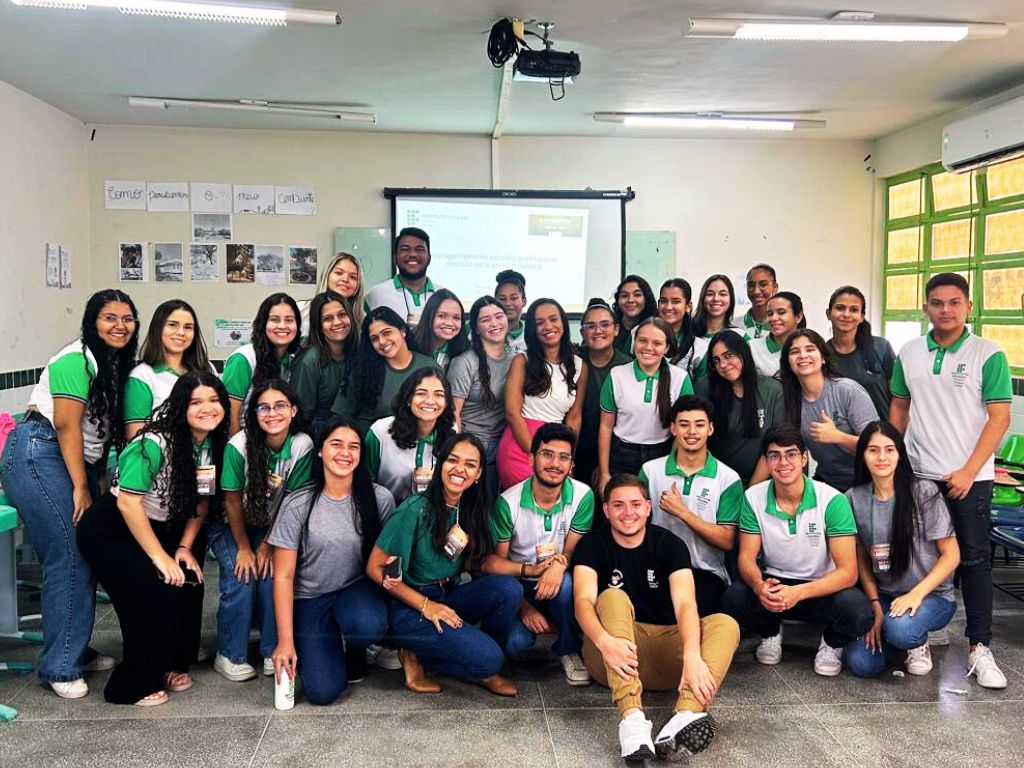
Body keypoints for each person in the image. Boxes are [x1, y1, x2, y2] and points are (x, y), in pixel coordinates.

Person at [0, 289, 137, 698]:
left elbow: (99, 435)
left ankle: (72, 646)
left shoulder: (112, 365)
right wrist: (81, 486)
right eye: (109, 317)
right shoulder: (75, 359)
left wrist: (96, 480)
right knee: (70, 552)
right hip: (39, 452)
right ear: (92, 321)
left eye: (127, 318)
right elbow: (66, 426)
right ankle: (60, 667)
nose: (119, 325)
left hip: (72, 459)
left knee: (86, 549)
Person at [889, 272, 1013, 689]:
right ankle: (920, 635)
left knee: (974, 560)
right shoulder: (909, 352)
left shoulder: (988, 354)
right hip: (920, 475)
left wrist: (968, 470)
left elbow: (1000, 418)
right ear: (925, 307)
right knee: (921, 558)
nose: (946, 310)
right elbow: (899, 410)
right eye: (937, 303)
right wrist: (895, 462)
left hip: (969, 478)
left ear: (968, 307)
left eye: (954, 302)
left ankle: (980, 646)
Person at [77, 371, 229, 705]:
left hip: (161, 526)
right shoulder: (152, 443)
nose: (207, 408)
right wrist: (160, 557)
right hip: (113, 529)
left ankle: (172, 664)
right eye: (196, 402)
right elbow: (128, 504)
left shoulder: (211, 444)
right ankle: (129, 686)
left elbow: (202, 502)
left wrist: (184, 547)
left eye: (214, 400)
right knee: (154, 592)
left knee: (189, 582)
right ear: (180, 406)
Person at [573, 475, 739, 760]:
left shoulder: (669, 544)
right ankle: (632, 720)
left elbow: (686, 604)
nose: (628, 512)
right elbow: (582, 602)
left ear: (648, 508)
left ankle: (684, 716)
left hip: (668, 656)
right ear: (606, 510)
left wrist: (692, 655)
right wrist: (604, 642)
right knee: (611, 596)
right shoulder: (592, 544)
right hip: (613, 656)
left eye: (636, 504)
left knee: (726, 624)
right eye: (618, 505)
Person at [366, 433, 522, 696]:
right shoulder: (415, 509)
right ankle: (416, 652)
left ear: (479, 474)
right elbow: (374, 567)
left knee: (509, 590)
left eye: (470, 464)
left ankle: (477, 657)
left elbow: (482, 562)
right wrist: (426, 606)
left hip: (449, 592)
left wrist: (529, 569)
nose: (460, 469)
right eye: (452, 460)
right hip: (411, 605)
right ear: (440, 465)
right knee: (490, 659)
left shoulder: (471, 509)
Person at [721, 425, 874, 676]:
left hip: (820, 587)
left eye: (791, 454)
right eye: (774, 455)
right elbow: (746, 558)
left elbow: (848, 573)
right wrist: (759, 587)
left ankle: (831, 643)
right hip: (775, 583)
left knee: (859, 612)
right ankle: (770, 632)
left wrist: (798, 593)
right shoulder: (753, 497)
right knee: (734, 599)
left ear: (804, 459)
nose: (783, 462)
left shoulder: (832, 500)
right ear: (766, 462)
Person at [268, 416, 395, 705]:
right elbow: (283, 576)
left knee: (367, 624)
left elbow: (388, 557)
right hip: (310, 598)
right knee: (323, 692)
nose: (345, 453)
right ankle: (327, 645)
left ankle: (356, 645)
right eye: (336, 444)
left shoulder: (379, 498)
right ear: (320, 451)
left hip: (355, 590)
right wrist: (285, 642)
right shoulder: (297, 503)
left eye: (353, 446)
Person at [210, 380, 314, 682]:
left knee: (271, 575)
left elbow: (291, 503)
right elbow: (231, 501)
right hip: (230, 524)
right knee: (242, 576)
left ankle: (271, 649)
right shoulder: (238, 445)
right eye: (263, 408)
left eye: (280, 406)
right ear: (254, 413)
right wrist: (244, 548)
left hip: (273, 525)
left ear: (293, 410)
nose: (272, 414)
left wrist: (268, 545)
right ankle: (230, 654)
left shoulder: (302, 445)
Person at [843, 422, 960, 678]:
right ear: (863, 455)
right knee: (862, 664)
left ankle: (916, 640)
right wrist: (874, 605)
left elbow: (952, 555)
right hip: (885, 596)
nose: (882, 457)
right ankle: (895, 638)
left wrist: (916, 595)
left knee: (902, 629)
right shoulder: (853, 497)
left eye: (889, 450)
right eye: (873, 450)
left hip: (931, 595)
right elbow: (862, 559)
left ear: (900, 454)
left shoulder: (923, 492)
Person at [484, 424, 595, 685]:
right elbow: (495, 564)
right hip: (519, 583)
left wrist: (559, 565)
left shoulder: (583, 496)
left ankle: (568, 648)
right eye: (547, 454)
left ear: (571, 465)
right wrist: (523, 607)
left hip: (558, 577)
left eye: (563, 457)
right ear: (531, 459)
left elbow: (571, 550)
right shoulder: (508, 503)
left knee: (568, 585)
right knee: (515, 646)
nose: (555, 463)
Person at [638, 395, 743, 616]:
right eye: (684, 424)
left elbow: (726, 540)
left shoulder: (728, 478)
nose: (692, 432)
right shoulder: (650, 471)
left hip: (705, 571)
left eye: (700, 424)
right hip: (657, 567)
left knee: (693, 617)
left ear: (710, 429)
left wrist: (682, 512)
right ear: (673, 429)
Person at [498, 298, 587, 490]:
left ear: (563, 322)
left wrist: (566, 456)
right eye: (539, 322)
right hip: (521, 446)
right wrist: (537, 453)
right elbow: (512, 413)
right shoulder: (522, 361)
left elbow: (574, 417)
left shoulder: (579, 365)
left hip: (556, 447)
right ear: (532, 329)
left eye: (553, 319)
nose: (548, 326)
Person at [779, 329, 877, 492]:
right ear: (788, 363)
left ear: (823, 357)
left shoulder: (847, 390)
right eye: (795, 352)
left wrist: (838, 437)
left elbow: (878, 446)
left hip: (867, 481)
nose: (802, 355)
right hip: (827, 481)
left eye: (810, 349)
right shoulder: (790, 400)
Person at [598, 318, 692, 485]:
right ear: (634, 343)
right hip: (621, 455)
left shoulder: (680, 378)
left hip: (663, 453)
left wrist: (672, 463)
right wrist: (604, 473)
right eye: (642, 341)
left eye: (657, 343)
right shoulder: (616, 375)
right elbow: (605, 426)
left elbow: (684, 427)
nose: (648, 348)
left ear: (667, 348)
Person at [332, 307, 442, 435]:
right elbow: (341, 416)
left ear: (402, 331)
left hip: (414, 442)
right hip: (368, 442)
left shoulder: (430, 368)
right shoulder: (362, 370)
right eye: (374, 338)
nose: (382, 341)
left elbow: (443, 413)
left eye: (387, 333)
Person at [699, 330, 783, 485]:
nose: (723, 365)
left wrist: (750, 491)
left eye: (728, 355)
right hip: (716, 482)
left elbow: (776, 445)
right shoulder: (706, 387)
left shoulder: (772, 390)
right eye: (716, 360)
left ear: (743, 353)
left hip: (761, 484)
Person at [449, 296, 513, 498]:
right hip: (472, 445)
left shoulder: (517, 358)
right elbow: (453, 414)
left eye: (499, 316)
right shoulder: (465, 362)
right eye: (486, 320)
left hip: (505, 445)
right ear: (476, 328)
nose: (494, 323)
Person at [124, 299, 214, 439]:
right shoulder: (142, 376)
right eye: (172, 325)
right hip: (163, 452)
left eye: (188, 327)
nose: (181, 332)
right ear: (158, 328)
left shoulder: (207, 368)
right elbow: (136, 438)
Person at [366, 369, 456, 504]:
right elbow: (366, 482)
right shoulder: (381, 431)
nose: (430, 401)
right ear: (408, 398)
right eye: (421, 393)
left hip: (432, 509)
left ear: (446, 402)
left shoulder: (451, 431)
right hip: (386, 509)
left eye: (438, 395)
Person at [222, 292, 301, 435]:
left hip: (273, 436)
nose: (282, 326)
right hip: (244, 437)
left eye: (289, 320)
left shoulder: (292, 360)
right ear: (263, 324)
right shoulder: (243, 358)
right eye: (274, 320)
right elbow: (230, 414)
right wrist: (237, 446)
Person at [577, 299, 631, 487]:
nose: (598, 331)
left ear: (616, 329)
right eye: (590, 326)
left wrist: (605, 465)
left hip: (616, 452)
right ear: (582, 333)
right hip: (578, 447)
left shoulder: (628, 366)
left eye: (605, 324)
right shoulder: (572, 360)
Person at [290, 291, 358, 435]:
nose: (337, 322)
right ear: (319, 326)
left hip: (353, 430)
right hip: (318, 433)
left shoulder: (358, 352)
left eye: (342, 315)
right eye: (328, 318)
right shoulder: (309, 360)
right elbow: (301, 416)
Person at [825, 286, 896, 420]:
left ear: (862, 317)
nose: (846, 314)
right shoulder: (822, 354)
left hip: (883, 430)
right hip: (840, 432)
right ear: (828, 314)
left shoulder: (881, 347)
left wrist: (895, 430)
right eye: (840, 308)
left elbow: (899, 399)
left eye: (854, 310)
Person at [364, 227, 439, 327]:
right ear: (395, 258)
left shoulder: (442, 296)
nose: (413, 254)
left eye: (419, 249)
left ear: (429, 258)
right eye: (405, 249)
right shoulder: (376, 294)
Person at [299, 251, 365, 336]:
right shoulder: (301, 309)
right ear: (327, 275)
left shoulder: (363, 319)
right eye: (339, 273)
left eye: (353, 277)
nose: (345, 279)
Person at [658, 278, 709, 378]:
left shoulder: (699, 347)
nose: (668, 307)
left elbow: (701, 386)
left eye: (676, 301)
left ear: (688, 306)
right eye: (663, 301)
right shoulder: (639, 334)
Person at [748, 291, 805, 378]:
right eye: (770, 314)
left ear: (798, 317)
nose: (773, 318)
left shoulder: (810, 346)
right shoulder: (753, 347)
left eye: (781, 312)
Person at [410, 288, 469, 370]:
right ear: (429, 316)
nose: (449, 323)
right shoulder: (408, 345)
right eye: (441, 316)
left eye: (456, 318)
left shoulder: (464, 350)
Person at [612, 275, 657, 356]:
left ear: (646, 298)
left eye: (637, 295)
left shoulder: (656, 329)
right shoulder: (610, 327)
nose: (630, 300)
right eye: (624, 295)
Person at [737, 263, 778, 339]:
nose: (756, 291)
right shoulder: (734, 326)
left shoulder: (781, 325)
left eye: (763, 284)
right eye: (751, 285)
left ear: (775, 287)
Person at [692, 274, 737, 340]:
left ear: (731, 299)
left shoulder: (740, 335)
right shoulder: (687, 334)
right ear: (703, 299)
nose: (716, 299)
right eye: (710, 294)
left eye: (722, 294)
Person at [495, 269, 528, 354]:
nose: (508, 303)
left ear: (524, 301)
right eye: (502, 299)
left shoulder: (532, 334)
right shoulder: (476, 329)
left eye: (513, 298)